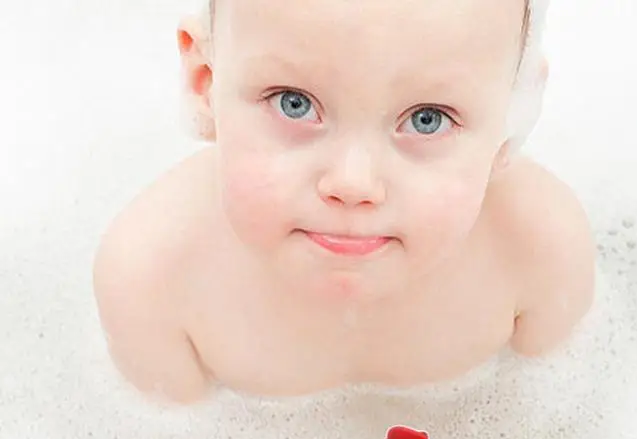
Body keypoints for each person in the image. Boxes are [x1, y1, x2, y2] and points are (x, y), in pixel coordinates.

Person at [93, 0, 595, 403]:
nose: (353, 183)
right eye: (294, 102)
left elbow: (555, 430)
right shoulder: (153, 283)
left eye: (428, 118)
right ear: (205, 82)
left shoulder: (541, 255)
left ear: (512, 112)